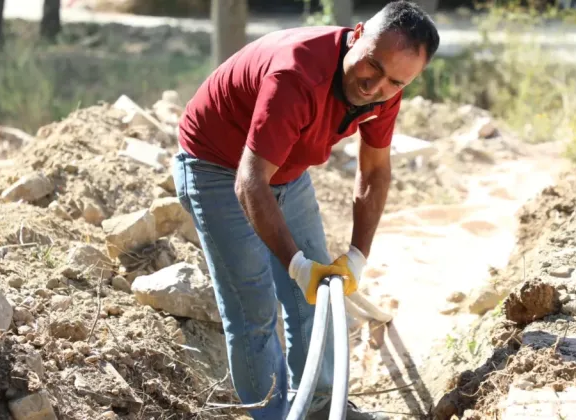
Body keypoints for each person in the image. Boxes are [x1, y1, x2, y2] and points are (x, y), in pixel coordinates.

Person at [172, 1, 439, 419]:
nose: (376, 87)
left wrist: (356, 256)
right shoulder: (296, 75)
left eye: (396, 82)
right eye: (372, 66)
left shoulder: (385, 90)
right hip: (217, 165)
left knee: (320, 294)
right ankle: (272, 415)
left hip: (284, 169)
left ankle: (317, 407)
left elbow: (374, 171)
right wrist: (296, 264)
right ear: (359, 34)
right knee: (254, 309)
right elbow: (250, 180)